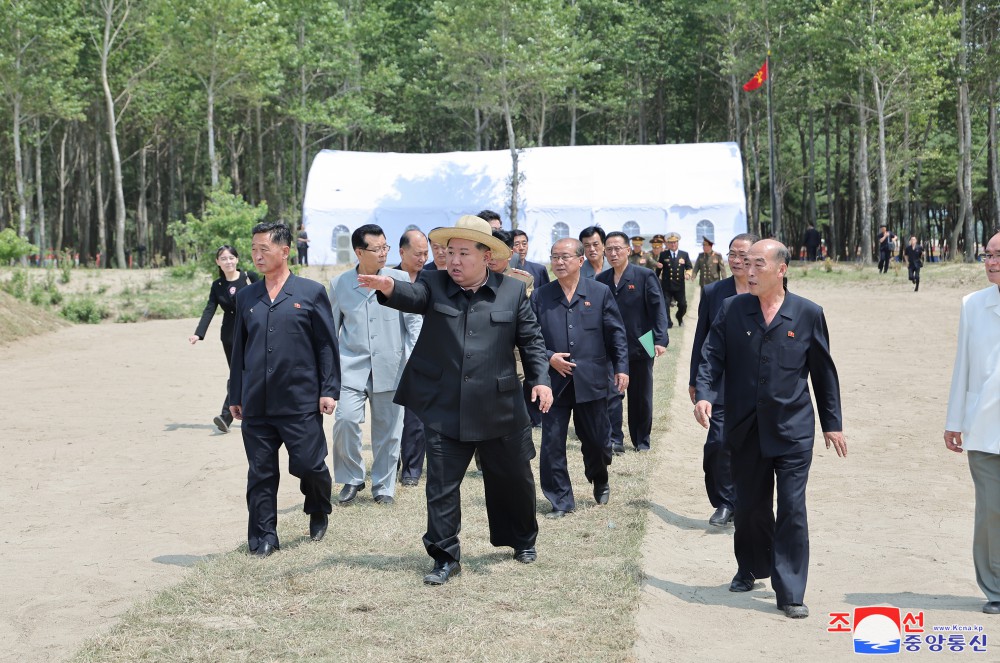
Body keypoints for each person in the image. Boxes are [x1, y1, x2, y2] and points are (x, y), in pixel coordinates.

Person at [357, 215, 553, 586]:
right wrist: (388, 288)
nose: (454, 261)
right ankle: (445, 556)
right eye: (449, 253)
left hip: (500, 407)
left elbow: (531, 341)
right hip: (445, 405)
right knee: (441, 485)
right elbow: (413, 296)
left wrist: (540, 381)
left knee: (514, 478)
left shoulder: (512, 291)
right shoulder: (434, 282)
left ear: (486, 256)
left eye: (464, 253)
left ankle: (522, 539)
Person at [694, 239, 846, 619]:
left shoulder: (808, 313)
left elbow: (823, 373)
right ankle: (749, 567)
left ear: (781, 269)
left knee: (792, 508)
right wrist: (705, 393)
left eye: (758, 265)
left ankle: (791, 590)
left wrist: (833, 424)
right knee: (750, 508)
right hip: (744, 428)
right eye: (746, 264)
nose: (749, 272)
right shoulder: (733, 309)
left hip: (792, 429)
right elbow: (711, 354)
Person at [228, 222, 339, 558]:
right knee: (260, 472)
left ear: (285, 251)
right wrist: (235, 394)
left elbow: (326, 345)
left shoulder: (310, 292)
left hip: (299, 398)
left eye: (264, 248)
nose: (257, 255)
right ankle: (263, 537)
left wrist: (329, 388)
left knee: (309, 465)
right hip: (257, 401)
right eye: (253, 249)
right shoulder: (247, 296)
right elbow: (238, 350)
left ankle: (318, 506)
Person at [533, 238, 628, 518]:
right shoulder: (540, 296)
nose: (559, 263)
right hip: (554, 383)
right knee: (551, 443)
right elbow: (531, 337)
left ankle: (599, 476)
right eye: (555, 257)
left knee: (598, 441)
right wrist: (550, 356)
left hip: (593, 380)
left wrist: (622, 367)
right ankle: (560, 500)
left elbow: (616, 333)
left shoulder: (599, 292)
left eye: (565, 257)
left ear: (580, 260)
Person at [329, 225, 421, 507]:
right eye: (376, 248)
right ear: (359, 252)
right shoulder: (339, 284)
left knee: (389, 429)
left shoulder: (400, 279)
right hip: (351, 368)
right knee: (345, 420)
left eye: (385, 247)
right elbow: (332, 331)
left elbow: (414, 321)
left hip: (391, 365)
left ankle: (383, 485)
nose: (383, 253)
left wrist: (411, 356)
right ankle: (352, 477)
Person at [944, 230, 1000, 615]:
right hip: (985, 428)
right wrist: (954, 422)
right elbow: (962, 365)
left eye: (998, 256)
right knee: (991, 512)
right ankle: (995, 587)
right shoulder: (973, 304)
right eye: (987, 255)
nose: (991, 262)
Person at [688, 233, 758, 527]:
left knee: (751, 448)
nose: (737, 260)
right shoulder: (714, 291)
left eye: (743, 255)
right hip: (721, 380)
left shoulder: (766, 288)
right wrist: (696, 380)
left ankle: (745, 503)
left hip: (757, 380)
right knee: (717, 443)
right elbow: (701, 337)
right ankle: (724, 502)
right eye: (732, 254)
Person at [597, 231, 669, 453]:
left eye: (618, 248)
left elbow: (658, 309)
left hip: (643, 341)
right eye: (609, 249)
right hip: (611, 345)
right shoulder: (601, 280)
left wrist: (660, 339)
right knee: (612, 393)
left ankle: (641, 440)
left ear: (628, 250)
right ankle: (614, 439)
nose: (613, 253)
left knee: (641, 395)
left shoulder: (645, 275)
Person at [189, 245, 259, 433]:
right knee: (237, 373)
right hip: (229, 335)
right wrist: (199, 333)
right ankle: (230, 415)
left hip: (251, 332)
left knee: (247, 373)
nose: (228, 261)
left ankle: (227, 416)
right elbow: (209, 309)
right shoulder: (217, 285)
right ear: (217, 262)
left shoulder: (249, 277)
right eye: (223, 258)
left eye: (231, 258)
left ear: (237, 259)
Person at [489, 229, 540, 430]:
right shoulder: (472, 277)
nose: (491, 257)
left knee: (510, 404)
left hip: (511, 351)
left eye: (498, 252)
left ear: (510, 254)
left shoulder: (521, 279)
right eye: (488, 250)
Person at [396, 229, 429, 487]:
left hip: (424, 359)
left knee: (416, 417)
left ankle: (412, 469)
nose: (422, 258)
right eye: (417, 253)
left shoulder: (432, 279)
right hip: (391, 358)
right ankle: (391, 462)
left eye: (425, 253)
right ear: (402, 252)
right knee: (391, 416)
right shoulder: (388, 278)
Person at [657, 232, 692, 327]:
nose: (673, 244)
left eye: (675, 242)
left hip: (679, 286)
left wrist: (688, 274)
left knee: (683, 305)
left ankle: (679, 317)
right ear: (668, 244)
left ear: (678, 243)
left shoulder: (684, 254)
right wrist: (656, 277)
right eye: (671, 243)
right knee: (665, 304)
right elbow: (658, 269)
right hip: (667, 285)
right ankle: (668, 322)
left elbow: (689, 267)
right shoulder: (663, 255)